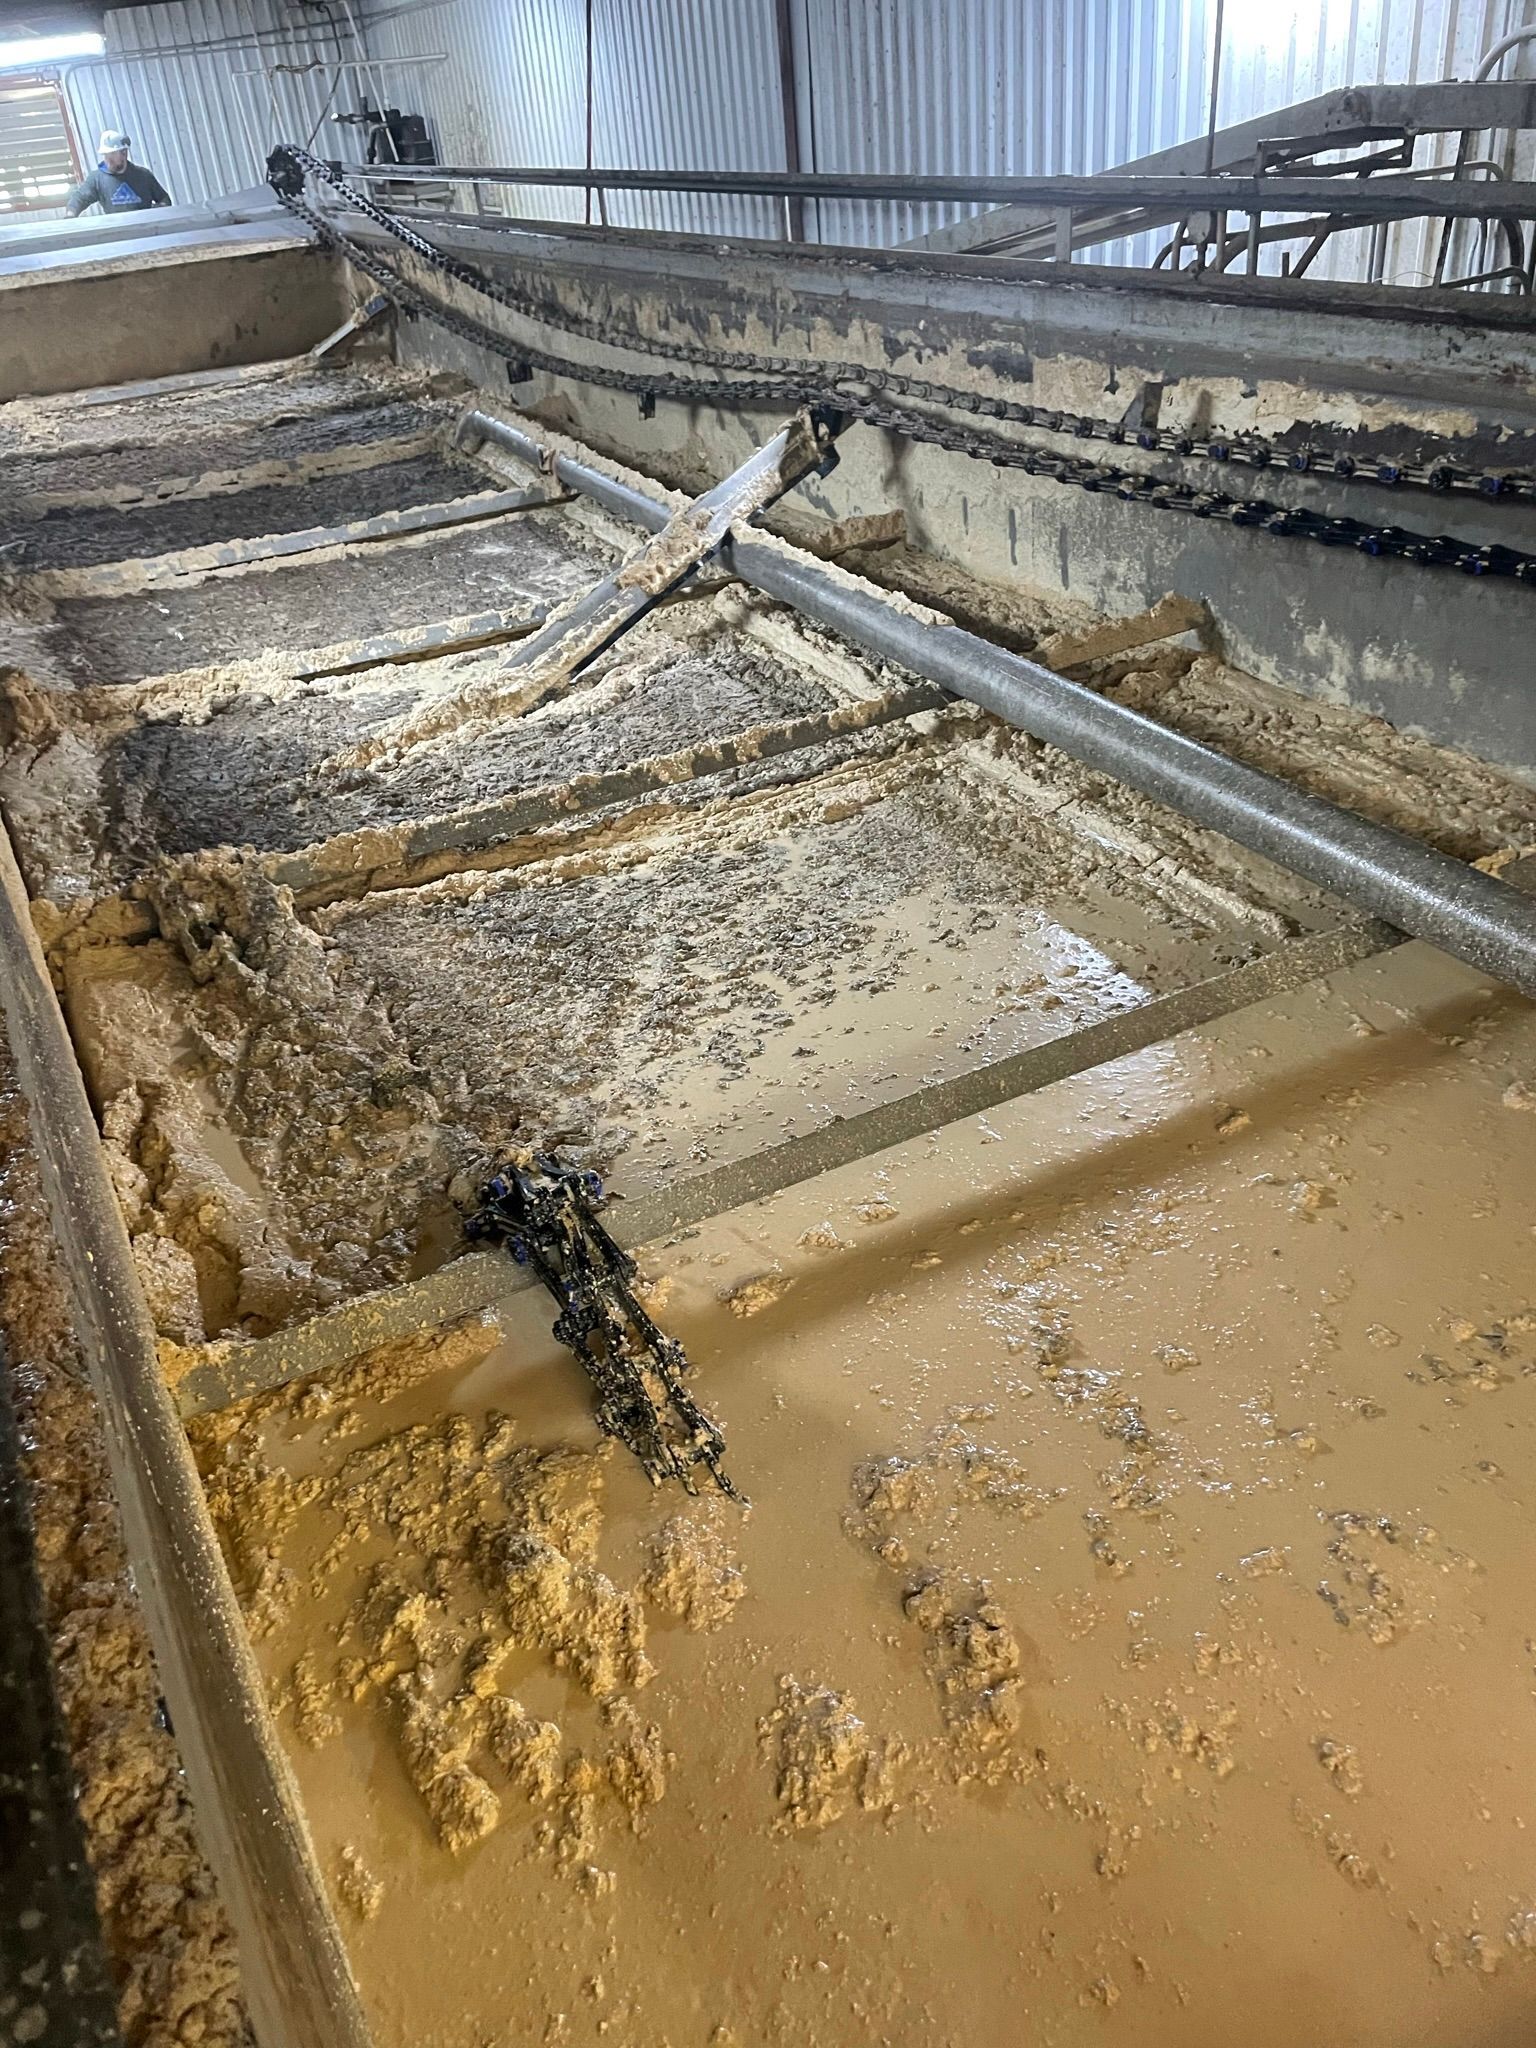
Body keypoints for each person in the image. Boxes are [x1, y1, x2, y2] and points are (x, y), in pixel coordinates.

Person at [65, 130, 171, 216]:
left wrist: (157, 211)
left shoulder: (143, 176)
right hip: (118, 233)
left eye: (111, 154)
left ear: (124, 153)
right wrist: (70, 214)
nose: (107, 159)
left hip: (146, 232)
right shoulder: (97, 179)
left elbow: (164, 199)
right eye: (105, 155)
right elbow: (79, 198)